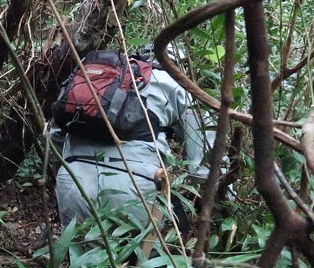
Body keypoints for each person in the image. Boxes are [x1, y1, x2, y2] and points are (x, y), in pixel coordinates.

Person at [52, 49, 215, 233]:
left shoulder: (88, 78)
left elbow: (56, 134)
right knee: (136, 259)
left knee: (82, 256)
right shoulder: (172, 83)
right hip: (136, 186)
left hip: (73, 181)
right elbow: (204, 155)